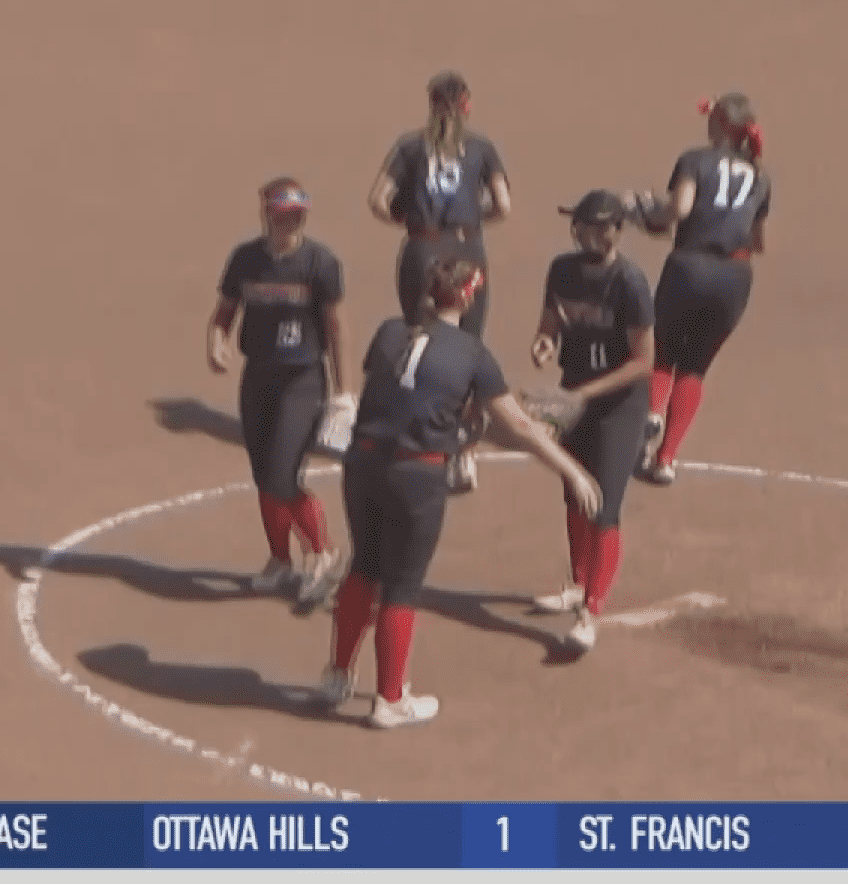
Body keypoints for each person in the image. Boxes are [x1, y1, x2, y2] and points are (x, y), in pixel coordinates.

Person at [317, 256, 602, 729]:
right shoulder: (472, 354)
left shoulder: (389, 332)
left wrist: (458, 429)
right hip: (416, 477)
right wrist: (572, 471)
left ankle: (337, 675)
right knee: (403, 585)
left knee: (363, 568)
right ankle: (390, 699)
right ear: (468, 295)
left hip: (363, 464)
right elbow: (523, 428)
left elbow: (396, 398)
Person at [207, 178, 354, 606]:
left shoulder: (320, 264)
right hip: (258, 379)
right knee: (263, 479)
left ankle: (323, 552)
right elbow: (223, 315)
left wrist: (345, 393)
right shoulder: (245, 260)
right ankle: (279, 559)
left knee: (282, 476)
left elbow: (337, 327)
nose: (289, 223)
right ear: (267, 214)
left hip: (302, 381)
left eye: (297, 216)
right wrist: (216, 342)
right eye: (282, 215)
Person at [365, 71, 513, 495]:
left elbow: (376, 200)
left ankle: (421, 439)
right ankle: (464, 455)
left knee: (421, 341)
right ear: (467, 105)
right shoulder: (482, 148)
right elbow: (503, 205)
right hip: (468, 252)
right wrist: (468, 221)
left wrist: (411, 219)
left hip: (421, 252)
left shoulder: (410, 146)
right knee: (468, 348)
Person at [526, 190, 658, 654]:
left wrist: (584, 392)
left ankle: (591, 610)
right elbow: (550, 325)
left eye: (610, 227)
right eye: (593, 226)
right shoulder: (562, 270)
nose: (602, 235)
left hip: (619, 405)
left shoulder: (630, 282)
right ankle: (578, 583)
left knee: (604, 505)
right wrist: (544, 343)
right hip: (574, 396)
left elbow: (644, 362)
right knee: (574, 494)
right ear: (576, 228)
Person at [632, 93, 772, 486]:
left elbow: (678, 210)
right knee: (696, 366)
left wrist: (645, 212)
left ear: (723, 125)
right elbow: (759, 242)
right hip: (735, 277)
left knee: (662, 351)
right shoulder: (761, 176)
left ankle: (652, 412)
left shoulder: (695, 160)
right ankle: (666, 460)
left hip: (690, 266)